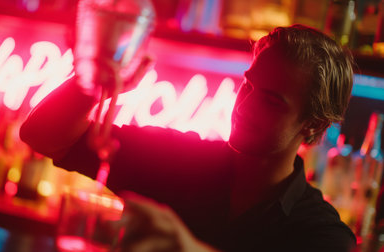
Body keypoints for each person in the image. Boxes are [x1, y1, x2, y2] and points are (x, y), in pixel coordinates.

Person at [20, 24, 357, 251]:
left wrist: (188, 247)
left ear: (312, 125)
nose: (245, 105)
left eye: (271, 101)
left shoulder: (323, 236)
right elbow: (45, 135)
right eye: (248, 85)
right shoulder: (179, 159)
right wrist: (95, 82)